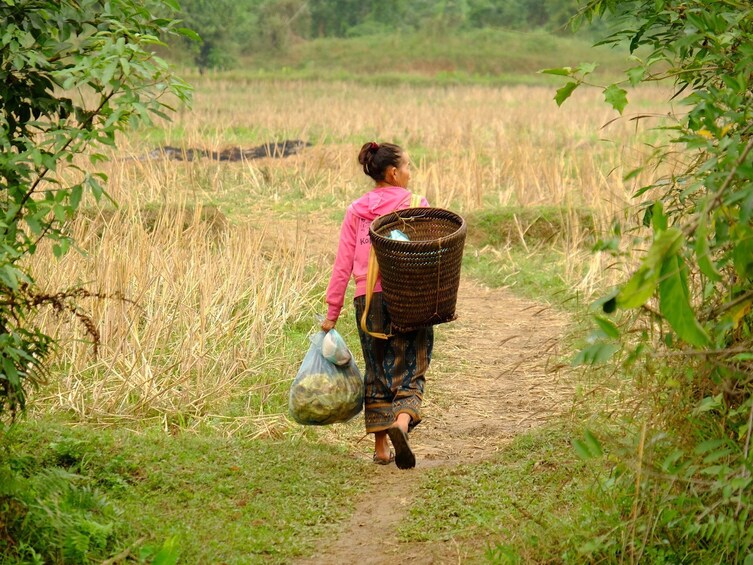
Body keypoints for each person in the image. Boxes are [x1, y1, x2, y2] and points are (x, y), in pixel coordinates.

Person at [321, 141, 433, 470]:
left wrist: (331, 313)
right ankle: (401, 423)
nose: (411, 172)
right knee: (412, 364)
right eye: (408, 166)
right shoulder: (416, 204)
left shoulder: (356, 210)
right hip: (407, 297)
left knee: (377, 367)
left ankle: (382, 448)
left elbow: (342, 266)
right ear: (393, 173)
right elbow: (428, 255)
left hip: (366, 301)